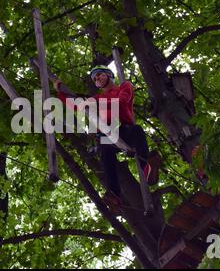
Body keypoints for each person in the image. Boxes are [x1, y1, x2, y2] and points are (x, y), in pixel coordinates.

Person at [53, 65, 162, 212]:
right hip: (107, 134)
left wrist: (96, 103)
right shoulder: (97, 97)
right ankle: (114, 194)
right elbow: (77, 106)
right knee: (105, 150)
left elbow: (122, 102)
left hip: (124, 130)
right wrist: (61, 92)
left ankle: (147, 169)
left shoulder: (124, 86)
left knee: (137, 130)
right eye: (94, 78)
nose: (97, 78)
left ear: (109, 74)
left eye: (99, 75)